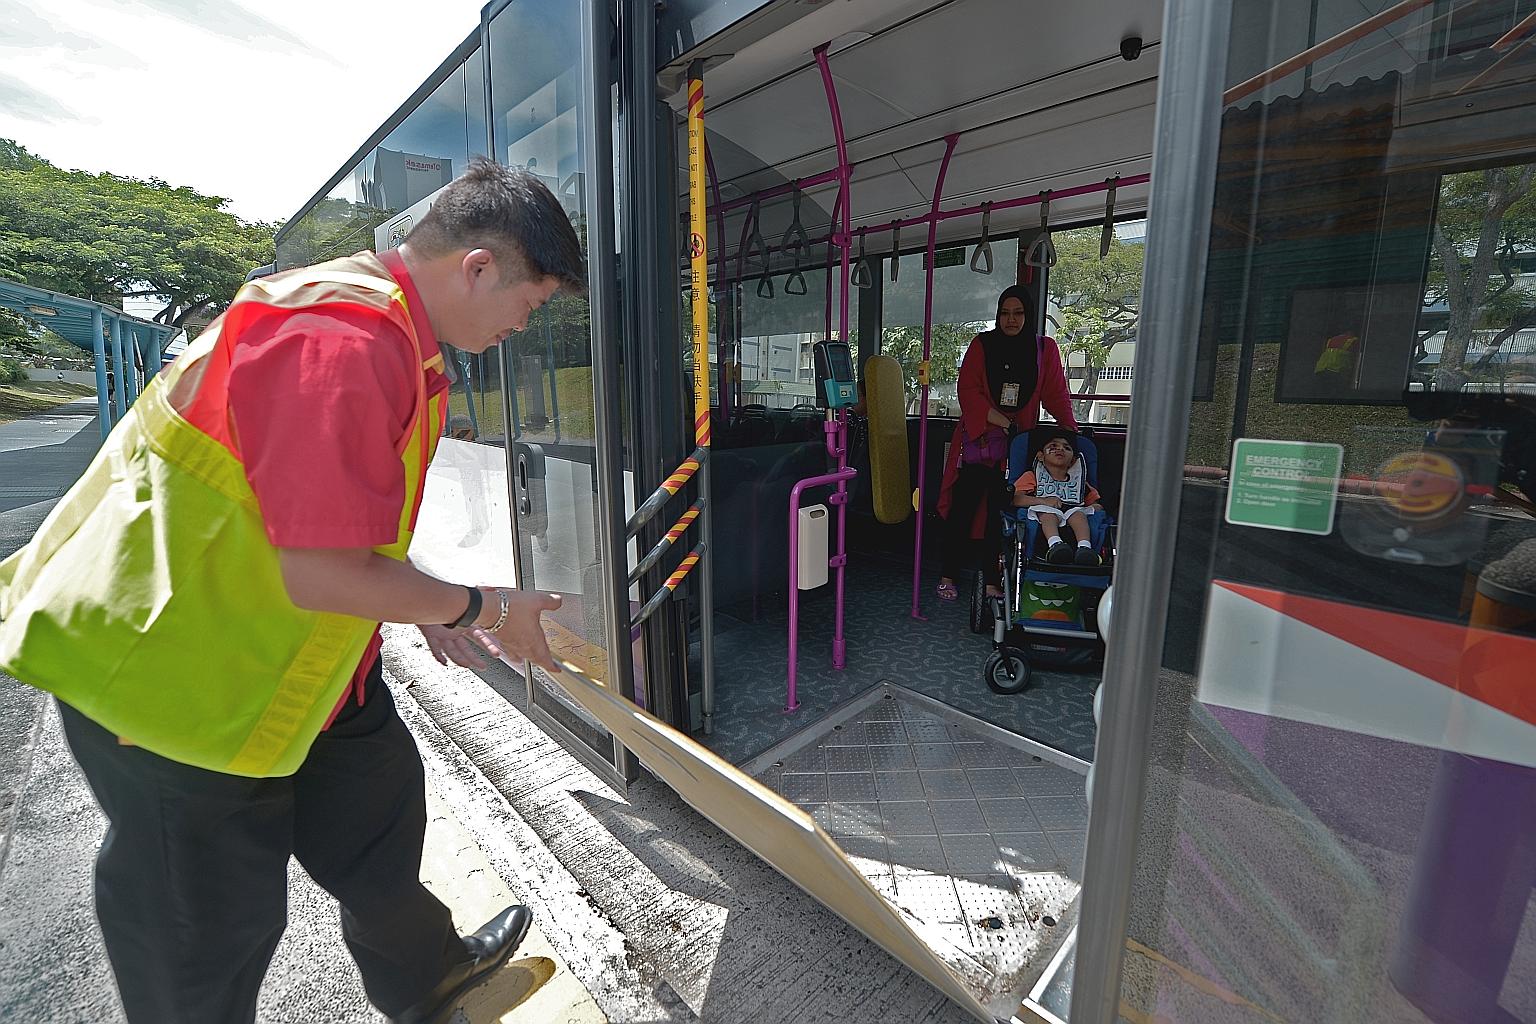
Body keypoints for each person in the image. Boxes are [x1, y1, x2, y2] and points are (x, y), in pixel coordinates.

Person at [0, 158, 585, 1024]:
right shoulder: (342, 336)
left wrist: (412, 602)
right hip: (183, 684)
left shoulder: (389, 332)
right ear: (478, 268)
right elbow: (318, 569)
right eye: (529, 305)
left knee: (378, 809)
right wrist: (483, 608)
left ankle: (429, 978)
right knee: (204, 936)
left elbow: (343, 528)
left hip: (298, 661)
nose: (521, 328)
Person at [936, 284, 1077, 601]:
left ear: (1028, 315)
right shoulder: (982, 344)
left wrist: (1070, 428)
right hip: (980, 443)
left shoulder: (1045, 349)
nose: (1011, 320)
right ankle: (948, 574)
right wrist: (1003, 422)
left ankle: (990, 580)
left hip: (1015, 450)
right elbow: (968, 391)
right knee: (963, 510)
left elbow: (1055, 393)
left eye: (1018, 313)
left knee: (999, 517)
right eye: (1004, 313)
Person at [1012, 428, 1103, 565]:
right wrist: (1043, 501)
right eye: (1053, 446)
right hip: (1044, 513)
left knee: (1078, 514)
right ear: (1041, 456)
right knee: (1048, 514)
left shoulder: (1079, 482)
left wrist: (1092, 508)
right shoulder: (1032, 477)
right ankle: (1055, 545)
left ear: (1073, 461)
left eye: (1066, 448)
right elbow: (1015, 499)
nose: (1060, 449)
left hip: (1073, 512)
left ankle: (1085, 548)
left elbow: (1096, 504)